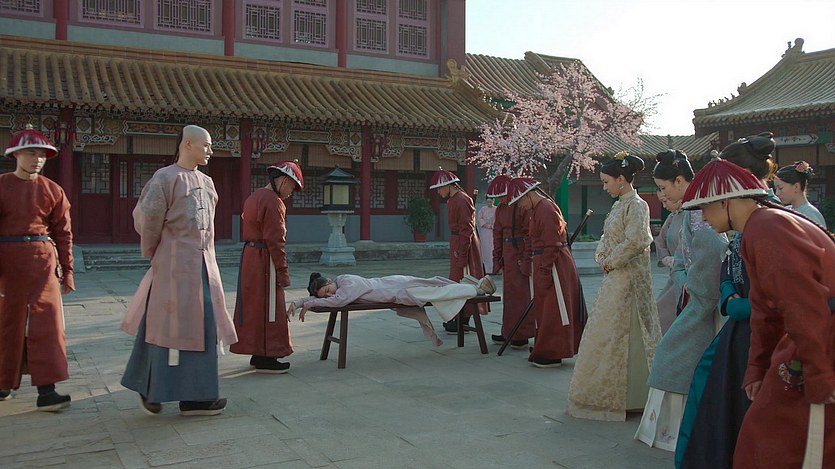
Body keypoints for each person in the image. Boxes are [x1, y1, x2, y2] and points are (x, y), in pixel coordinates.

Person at [680, 158, 835, 469]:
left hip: (820, 335)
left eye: (706, 208)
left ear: (725, 202)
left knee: (784, 440)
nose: (704, 217)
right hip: (814, 333)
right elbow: (764, 309)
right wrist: (757, 366)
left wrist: (819, 374)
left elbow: (802, 304)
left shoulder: (767, 228)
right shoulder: (761, 226)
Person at [120, 125, 238, 417]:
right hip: (173, 266)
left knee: (204, 326)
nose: (210, 150)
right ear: (187, 144)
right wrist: (156, 253)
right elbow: (148, 220)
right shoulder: (165, 178)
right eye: (206, 145)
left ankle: (198, 397)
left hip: (204, 265)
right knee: (166, 326)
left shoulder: (208, 183)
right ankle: (152, 388)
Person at [676, 133, 778, 468]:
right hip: (739, 327)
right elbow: (728, 263)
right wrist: (727, 291)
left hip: (767, 333)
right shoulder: (745, 221)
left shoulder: (773, 222)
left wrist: (746, 306)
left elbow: (786, 296)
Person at [635, 149, 727, 451]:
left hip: (702, 299)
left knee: (678, 357)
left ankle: (681, 431)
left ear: (678, 180)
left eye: (663, 187)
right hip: (689, 291)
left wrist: (690, 283)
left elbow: (711, 255)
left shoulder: (699, 210)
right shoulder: (688, 210)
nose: (661, 194)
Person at [567, 151, 662, 420]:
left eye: (606, 181)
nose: (604, 186)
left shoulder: (638, 205)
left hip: (629, 278)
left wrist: (611, 261)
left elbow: (637, 240)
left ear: (621, 179)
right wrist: (602, 256)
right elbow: (609, 237)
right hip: (615, 276)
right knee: (610, 330)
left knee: (630, 331)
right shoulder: (619, 205)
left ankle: (634, 395)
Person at [0, 125, 74, 411]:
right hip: (8, 262)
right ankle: (4, 383)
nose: (37, 159)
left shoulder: (53, 190)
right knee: (8, 323)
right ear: (16, 155)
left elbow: (64, 234)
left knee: (48, 325)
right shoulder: (2, 185)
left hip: (43, 263)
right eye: (31, 153)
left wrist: (67, 271)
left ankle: (47, 390)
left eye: (42, 154)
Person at [230, 161, 304, 374]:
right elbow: (276, 240)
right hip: (265, 259)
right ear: (283, 181)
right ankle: (268, 356)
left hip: (250, 257)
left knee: (254, 307)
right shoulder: (274, 202)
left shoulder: (253, 197)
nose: (290, 193)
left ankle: (257, 353)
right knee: (271, 308)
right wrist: (283, 272)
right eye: (292, 187)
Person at [289, 272, 496, 346]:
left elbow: (338, 301)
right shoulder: (341, 284)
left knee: (436, 292)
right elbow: (334, 299)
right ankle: (470, 286)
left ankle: (476, 288)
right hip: (395, 287)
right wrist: (300, 302)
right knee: (435, 288)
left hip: (398, 289)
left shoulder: (348, 283)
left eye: (327, 290)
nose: (329, 296)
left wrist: (310, 303)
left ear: (330, 281)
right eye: (324, 295)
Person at [507, 177, 584, 368]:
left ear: (529, 195)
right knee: (545, 308)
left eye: (520, 201)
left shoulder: (546, 209)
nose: (521, 206)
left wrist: (545, 270)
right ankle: (546, 347)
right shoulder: (537, 209)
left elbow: (552, 244)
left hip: (554, 264)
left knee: (554, 308)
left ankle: (554, 351)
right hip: (545, 261)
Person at [429, 168, 486, 334]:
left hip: (463, 241)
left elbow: (466, 229)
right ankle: (459, 317)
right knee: (456, 280)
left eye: (439, 188)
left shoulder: (461, 200)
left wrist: (462, 253)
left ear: (448, 185)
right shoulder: (455, 199)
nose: (438, 192)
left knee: (465, 280)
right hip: (457, 240)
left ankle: (464, 318)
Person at [487, 175, 534, 350]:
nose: (500, 200)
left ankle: (521, 334)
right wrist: (497, 257)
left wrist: (526, 259)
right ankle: (508, 330)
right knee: (509, 295)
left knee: (520, 295)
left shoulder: (522, 206)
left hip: (518, 252)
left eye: (502, 196)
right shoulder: (501, 208)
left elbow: (529, 233)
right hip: (508, 254)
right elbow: (497, 233)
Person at [654, 189, 684, 334]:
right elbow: (660, 240)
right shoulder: (672, 217)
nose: (665, 206)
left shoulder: (694, 215)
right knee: (660, 313)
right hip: (674, 274)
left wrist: (679, 260)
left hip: (687, 275)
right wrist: (665, 258)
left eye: (666, 201)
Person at [774, 161, 827, 228]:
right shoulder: (785, 210)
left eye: (780, 188)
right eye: (776, 188)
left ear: (796, 187)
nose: (777, 193)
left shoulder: (811, 214)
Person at [477, 196, 496, 274]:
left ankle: (494, 268)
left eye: (490, 202)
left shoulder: (496, 209)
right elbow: (479, 218)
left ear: (493, 201)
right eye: (488, 202)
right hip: (485, 232)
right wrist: (486, 225)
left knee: (493, 248)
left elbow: (498, 219)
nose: (489, 203)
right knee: (485, 249)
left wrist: (493, 225)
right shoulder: (483, 209)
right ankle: (486, 269)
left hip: (493, 231)